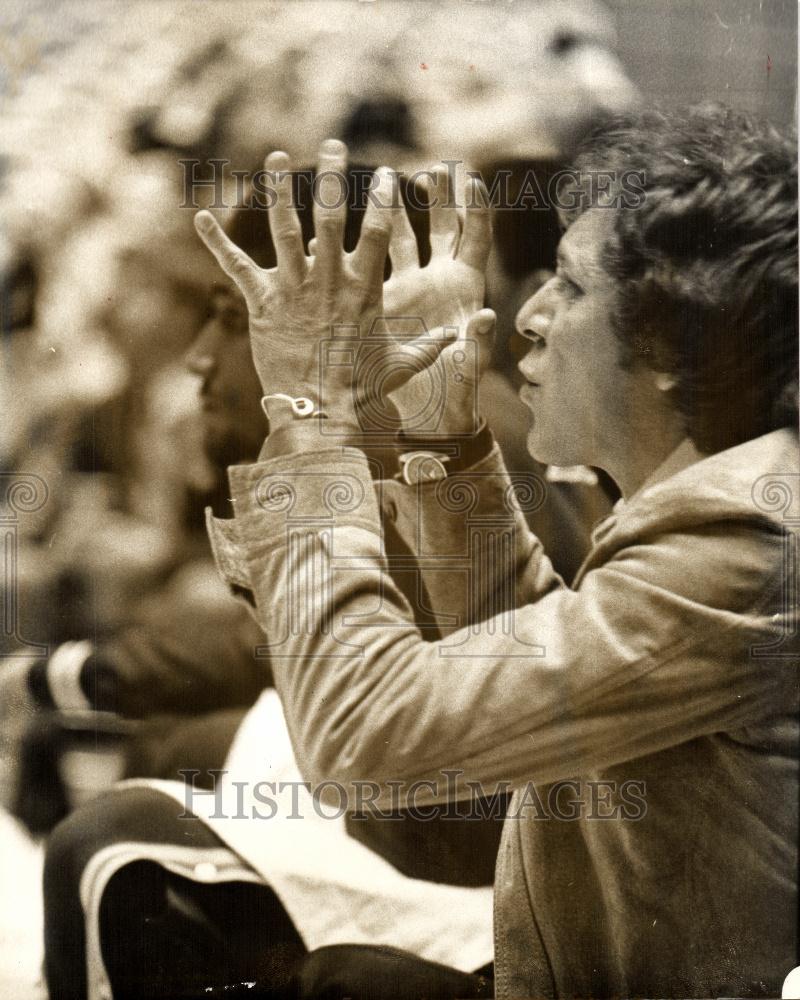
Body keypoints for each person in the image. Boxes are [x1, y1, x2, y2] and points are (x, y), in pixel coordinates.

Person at [187, 106, 798, 998]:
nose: (529, 317)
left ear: (677, 337)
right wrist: (439, 434)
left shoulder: (746, 536)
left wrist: (312, 415)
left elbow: (363, 739)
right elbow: (523, 671)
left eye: (573, 287)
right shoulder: (735, 498)